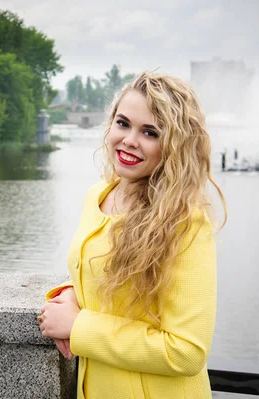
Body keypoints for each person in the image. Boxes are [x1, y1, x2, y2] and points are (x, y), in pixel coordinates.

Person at [37, 71, 227, 399]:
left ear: (174, 146)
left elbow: (187, 351)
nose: (129, 140)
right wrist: (71, 292)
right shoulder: (98, 195)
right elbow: (101, 270)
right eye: (123, 123)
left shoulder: (185, 223)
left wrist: (78, 326)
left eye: (149, 132)